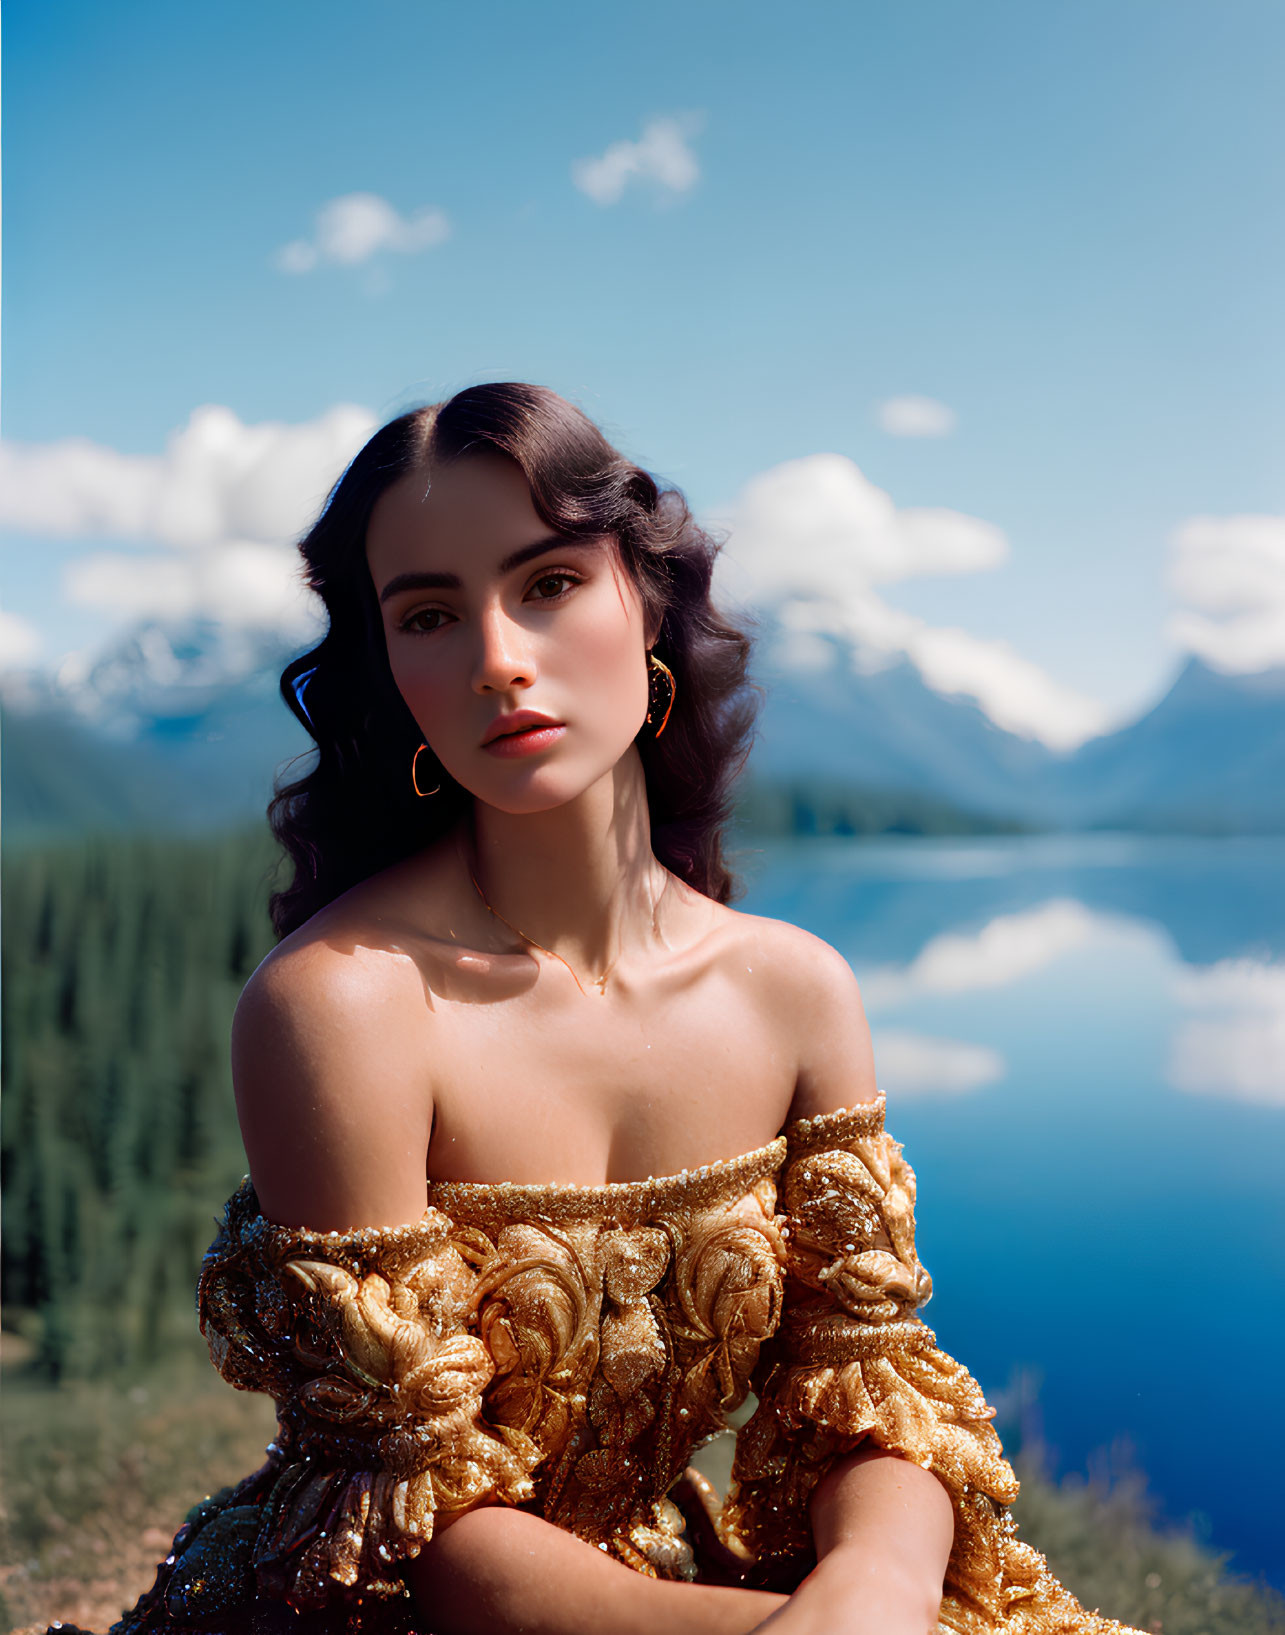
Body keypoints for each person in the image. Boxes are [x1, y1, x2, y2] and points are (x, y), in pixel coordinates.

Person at [79, 383, 1143, 1635]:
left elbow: (869, 1387)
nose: (495, 658)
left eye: (546, 583)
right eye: (429, 615)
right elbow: (411, 1519)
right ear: (390, 678)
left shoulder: (794, 991)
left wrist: (878, 1586)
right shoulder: (342, 1006)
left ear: (646, 601)